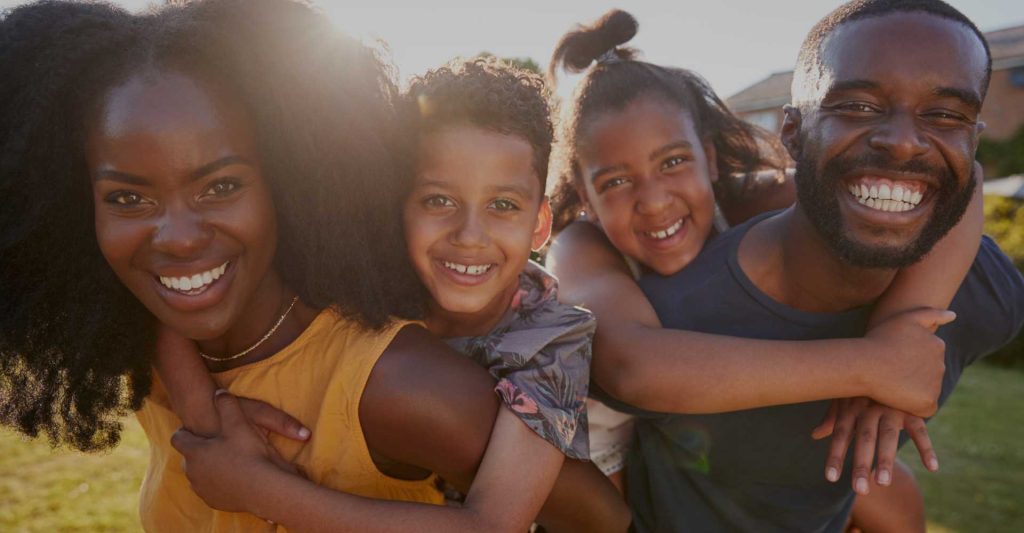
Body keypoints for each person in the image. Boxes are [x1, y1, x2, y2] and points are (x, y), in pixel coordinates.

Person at [0, 2, 624, 532]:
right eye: (128, 198)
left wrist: (262, 487)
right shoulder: (149, 334)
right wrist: (203, 409)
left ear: (290, 178)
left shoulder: (402, 388)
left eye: (220, 186)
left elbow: (603, 518)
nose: (179, 239)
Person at [547, 2, 1024, 531]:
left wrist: (905, 320)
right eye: (614, 181)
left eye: (673, 162)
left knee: (879, 486)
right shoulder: (580, 244)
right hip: (602, 426)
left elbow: (963, 177)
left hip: (761, 460)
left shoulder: (759, 194)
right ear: (584, 196)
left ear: (708, 157)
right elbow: (632, 366)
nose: (654, 200)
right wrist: (876, 363)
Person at [158, 57, 629, 532]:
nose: (469, 235)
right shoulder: (362, 279)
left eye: (502, 205)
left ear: (540, 225)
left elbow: (491, 525)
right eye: (438, 200)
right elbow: (165, 300)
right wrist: (204, 409)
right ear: (397, 205)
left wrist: (259, 488)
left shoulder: (551, 344)